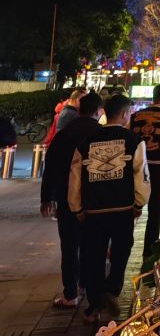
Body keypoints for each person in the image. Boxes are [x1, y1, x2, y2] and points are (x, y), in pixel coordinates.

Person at [68, 93, 149, 322]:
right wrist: (139, 203)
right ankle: (111, 288)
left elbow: (75, 178)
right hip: (123, 210)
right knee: (121, 252)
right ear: (124, 114)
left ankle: (94, 306)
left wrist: (77, 208)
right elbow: (141, 176)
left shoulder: (87, 142)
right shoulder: (133, 141)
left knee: (93, 256)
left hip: (93, 212)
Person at [41, 90, 105, 308]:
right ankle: (86, 285)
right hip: (95, 200)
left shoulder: (64, 134)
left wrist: (46, 198)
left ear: (80, 110)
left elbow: (49, 167)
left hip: (67, 198)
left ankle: (70, 293)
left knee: (69, 247)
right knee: (92, 245)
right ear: (98, 111)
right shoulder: (102, 134)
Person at [130, 84, 160, 263]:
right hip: (159, 169)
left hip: (135, 170)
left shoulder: (134, 117)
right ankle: (150, 249)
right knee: (155, 211)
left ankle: (119, 245)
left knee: (132, 208)